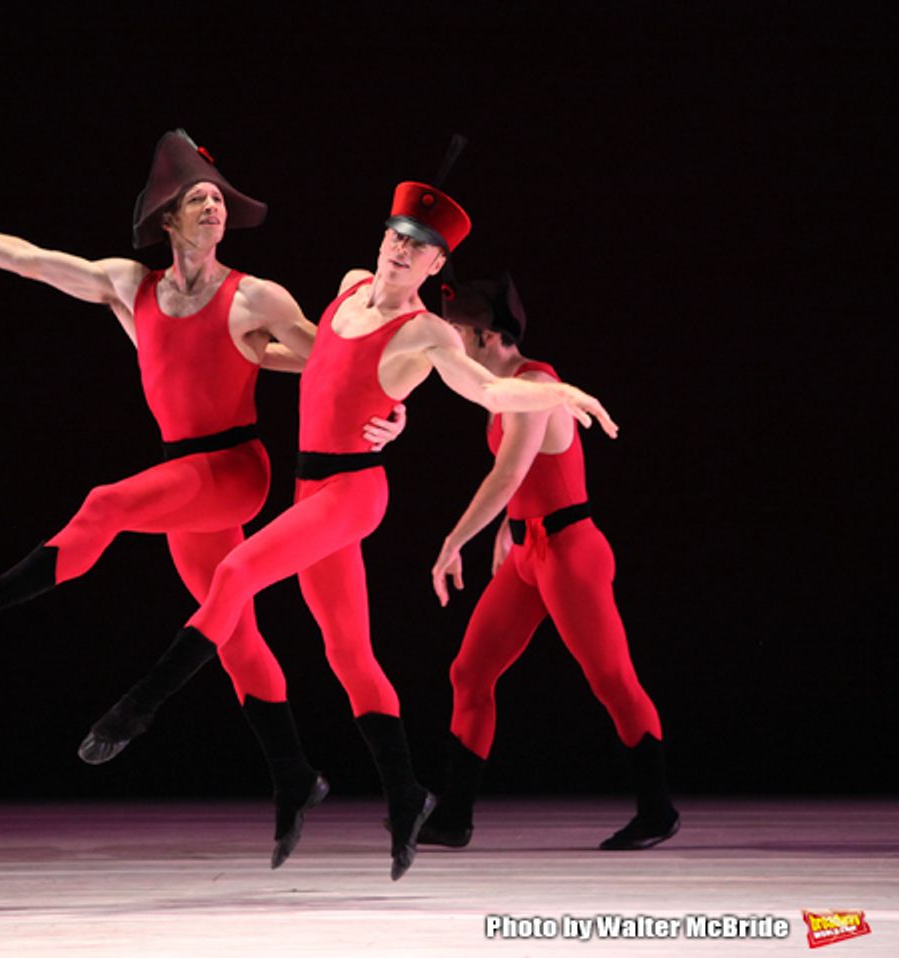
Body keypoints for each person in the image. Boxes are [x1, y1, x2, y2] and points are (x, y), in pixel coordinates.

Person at [0, 130, 405, 866]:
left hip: (234, 469)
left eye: (220, 199)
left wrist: (396, 407)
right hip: (184, 481)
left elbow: (341, 356)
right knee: (235, 636)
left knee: (106, 504)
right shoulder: (129, 284)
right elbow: (28, 260)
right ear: (168, 218)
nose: (215, 207)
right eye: (199, 199)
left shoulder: (256, 295)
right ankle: (293, 773)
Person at [78, 182, 619, 880]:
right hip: (311, 485)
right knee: (347, 651)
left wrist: (562, 391)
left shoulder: (428, 330)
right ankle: (406, 792)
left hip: (353, 490)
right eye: (397, 235)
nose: (402, 250)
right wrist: (392, 409)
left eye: (420, 248)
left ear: (435, 269)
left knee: (237, 571)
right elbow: (322, 363)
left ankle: (138, 706)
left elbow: (488, 391)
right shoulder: (350, 285)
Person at [424, 274, 679, 851]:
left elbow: (510, 471)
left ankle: (657, 809)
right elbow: (524, 482)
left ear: (487, 336)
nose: (454, 345)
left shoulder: (535, 384)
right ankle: (454, 815)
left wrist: (454, 541)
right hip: (530, 553)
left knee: (611, 679)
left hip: (571, 554)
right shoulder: (502, 384)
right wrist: (508, 532)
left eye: (459, 333)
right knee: (469, 672)